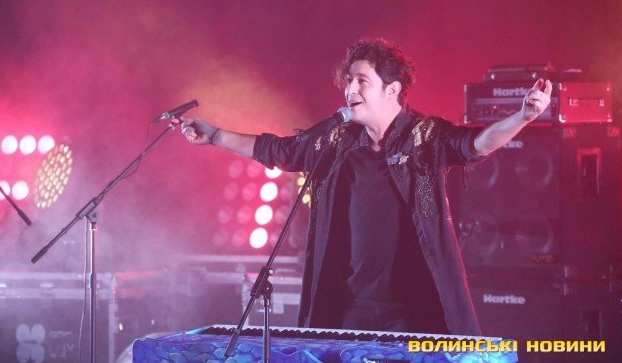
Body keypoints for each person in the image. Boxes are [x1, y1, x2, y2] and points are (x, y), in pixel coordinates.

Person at [180, 38, 552, 336]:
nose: (350, 89)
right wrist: (215, 136)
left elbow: (477, 144)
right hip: (347, 310)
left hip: (413, 313)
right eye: (348, 80)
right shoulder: (336, 142)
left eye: (362, 81)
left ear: (392, 90)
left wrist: (523, 116)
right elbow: (282, 150)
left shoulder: (426, 137)